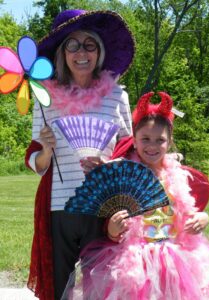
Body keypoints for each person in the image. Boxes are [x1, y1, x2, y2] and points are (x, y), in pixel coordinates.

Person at [65, 91, 209, 299]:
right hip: (134, 261)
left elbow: (187, 211)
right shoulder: (123, 175)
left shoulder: (178, 175)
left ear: (170, 141)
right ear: (135, 139)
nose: (152, 146)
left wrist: (202, 218)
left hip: (176, 259)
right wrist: (113, 230)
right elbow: (109, 224)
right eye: (145, 138)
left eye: (160, 140)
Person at [25, 9, 135, 300]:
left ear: (99, 51)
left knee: (101, 283)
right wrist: (45, 151)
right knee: (59, 284)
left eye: (90, 44)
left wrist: (110, 164)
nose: (81, 52)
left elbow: (130, 150)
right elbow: (34, 159)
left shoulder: (117, 96)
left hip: (103, 205)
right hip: (59, 206)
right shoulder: (45, 99)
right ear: (62, 53)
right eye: (72, 44)